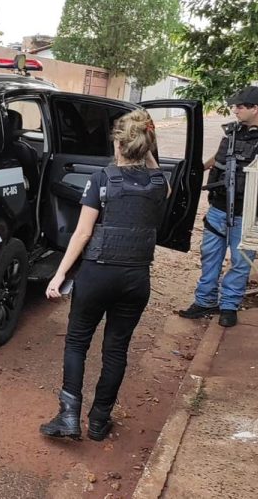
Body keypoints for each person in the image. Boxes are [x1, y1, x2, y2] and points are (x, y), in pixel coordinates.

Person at [40, 110, 168, 442]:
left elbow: (82, 235)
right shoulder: (159, 183)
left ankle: (69, 417)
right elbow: (153, 167)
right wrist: (146, 141)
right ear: (146, 144)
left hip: (97, 275)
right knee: (116, 350)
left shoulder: (102, 179)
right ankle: (99, 421)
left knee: (77, 343)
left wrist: (59, 274)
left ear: (118, 144)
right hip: (136, 280)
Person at [178, 86, 258, 327]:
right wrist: (194, 170)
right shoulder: (235, 131)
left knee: (241, 261)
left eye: (240, 106)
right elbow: (220, 159)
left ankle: (229, 305)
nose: (235, 110)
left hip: (249, 211)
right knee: (210, 256)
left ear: (256, 109)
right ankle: (205, 300)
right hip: (219, 206)